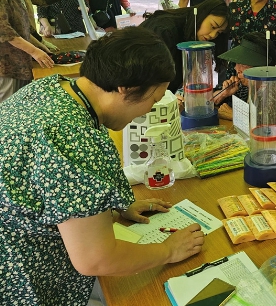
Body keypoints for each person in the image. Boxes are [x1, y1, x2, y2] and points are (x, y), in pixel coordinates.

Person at [0, 27, 205, 305]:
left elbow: (50, 186)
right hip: (19, 275)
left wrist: (102, 208)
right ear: (126, 87)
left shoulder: (52, 89)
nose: (148, 111)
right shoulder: (72, 137)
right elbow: (95, 259)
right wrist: (168, 250)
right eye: (153, 100)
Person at [0, 0, 75, 103]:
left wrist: (40, 44)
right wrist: (35, 51)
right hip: (6, 64)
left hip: (20, 60)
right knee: (7, 105)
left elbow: (22, 25)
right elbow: (5, 31)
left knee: (20, 104)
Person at [140, 0, 229, 93]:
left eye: (218, 32)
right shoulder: (165, 31)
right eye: (213, 26)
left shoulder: (192, 35)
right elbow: (152, 80)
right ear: (202, 14)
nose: (213, 35)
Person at [214, 32, 276, 123]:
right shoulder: (242, 85)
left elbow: (273, 123)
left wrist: (235, 115)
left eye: (243, 64)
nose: (236, 68)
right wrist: (223, 94)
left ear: (261, 68)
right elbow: (209, 101)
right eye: (237, 63)